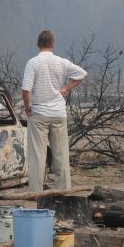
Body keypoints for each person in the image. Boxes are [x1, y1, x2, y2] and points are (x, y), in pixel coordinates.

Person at [22, 30, 87, 192]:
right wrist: (65, 88)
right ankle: (63, 190)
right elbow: (81, 74)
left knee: (38, 155)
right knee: (61, 154)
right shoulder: (61, 62)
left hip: (39, 114)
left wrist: (27, 107)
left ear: (38, 44)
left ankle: (36, 192)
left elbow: (25, 90)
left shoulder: (33, 63)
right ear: (53, 44)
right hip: (58, 113)